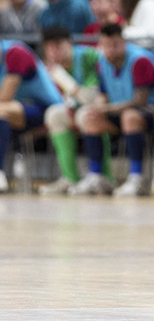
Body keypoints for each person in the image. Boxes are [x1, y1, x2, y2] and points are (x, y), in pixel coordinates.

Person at [73, 24, 154, 196]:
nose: (111, 50)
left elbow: (141, 100)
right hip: (120, 110)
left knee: (130, 117)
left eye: (115, 45)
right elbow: (103, 92)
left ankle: (137, 178)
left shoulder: (140, 60)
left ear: (124, 43)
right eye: (106, 45)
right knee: (90, 117)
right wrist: (98, 105)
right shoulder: (102, 62)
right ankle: (97, 176)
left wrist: (108, 108)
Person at [37, 26, 109, 195]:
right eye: (49, 47)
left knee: (87, 116)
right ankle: (70, 178)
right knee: (54, 115)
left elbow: (90, 98)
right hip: (75, 108)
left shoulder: (89, 56)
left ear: (69, 43)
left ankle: (103, 176)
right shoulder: (48, 68)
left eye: (58, 45)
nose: (54, 51)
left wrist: (63, 79)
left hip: (105, 107)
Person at [0, 39, 63, 192]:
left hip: (45, 107)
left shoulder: (16, 53)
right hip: (16, 109)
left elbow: (4, 97)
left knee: (1, 111)